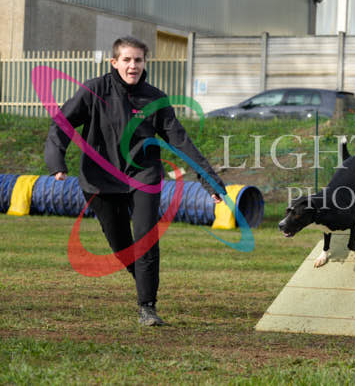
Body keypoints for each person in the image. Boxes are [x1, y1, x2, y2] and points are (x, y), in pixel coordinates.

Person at [44, 36, 226, 326]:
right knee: (122, 247)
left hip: (143, 175)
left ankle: (147, 307)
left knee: (145, 240)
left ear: (144, 63)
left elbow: (180, 140)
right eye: (127, 60)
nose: (133, 66)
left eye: (138, 60)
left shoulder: (155, 99)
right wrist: (57, 162)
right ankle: (143, 278)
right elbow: (61, 124)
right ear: (114, 62)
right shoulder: (93, 91)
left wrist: (209, 181)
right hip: (100, 179)